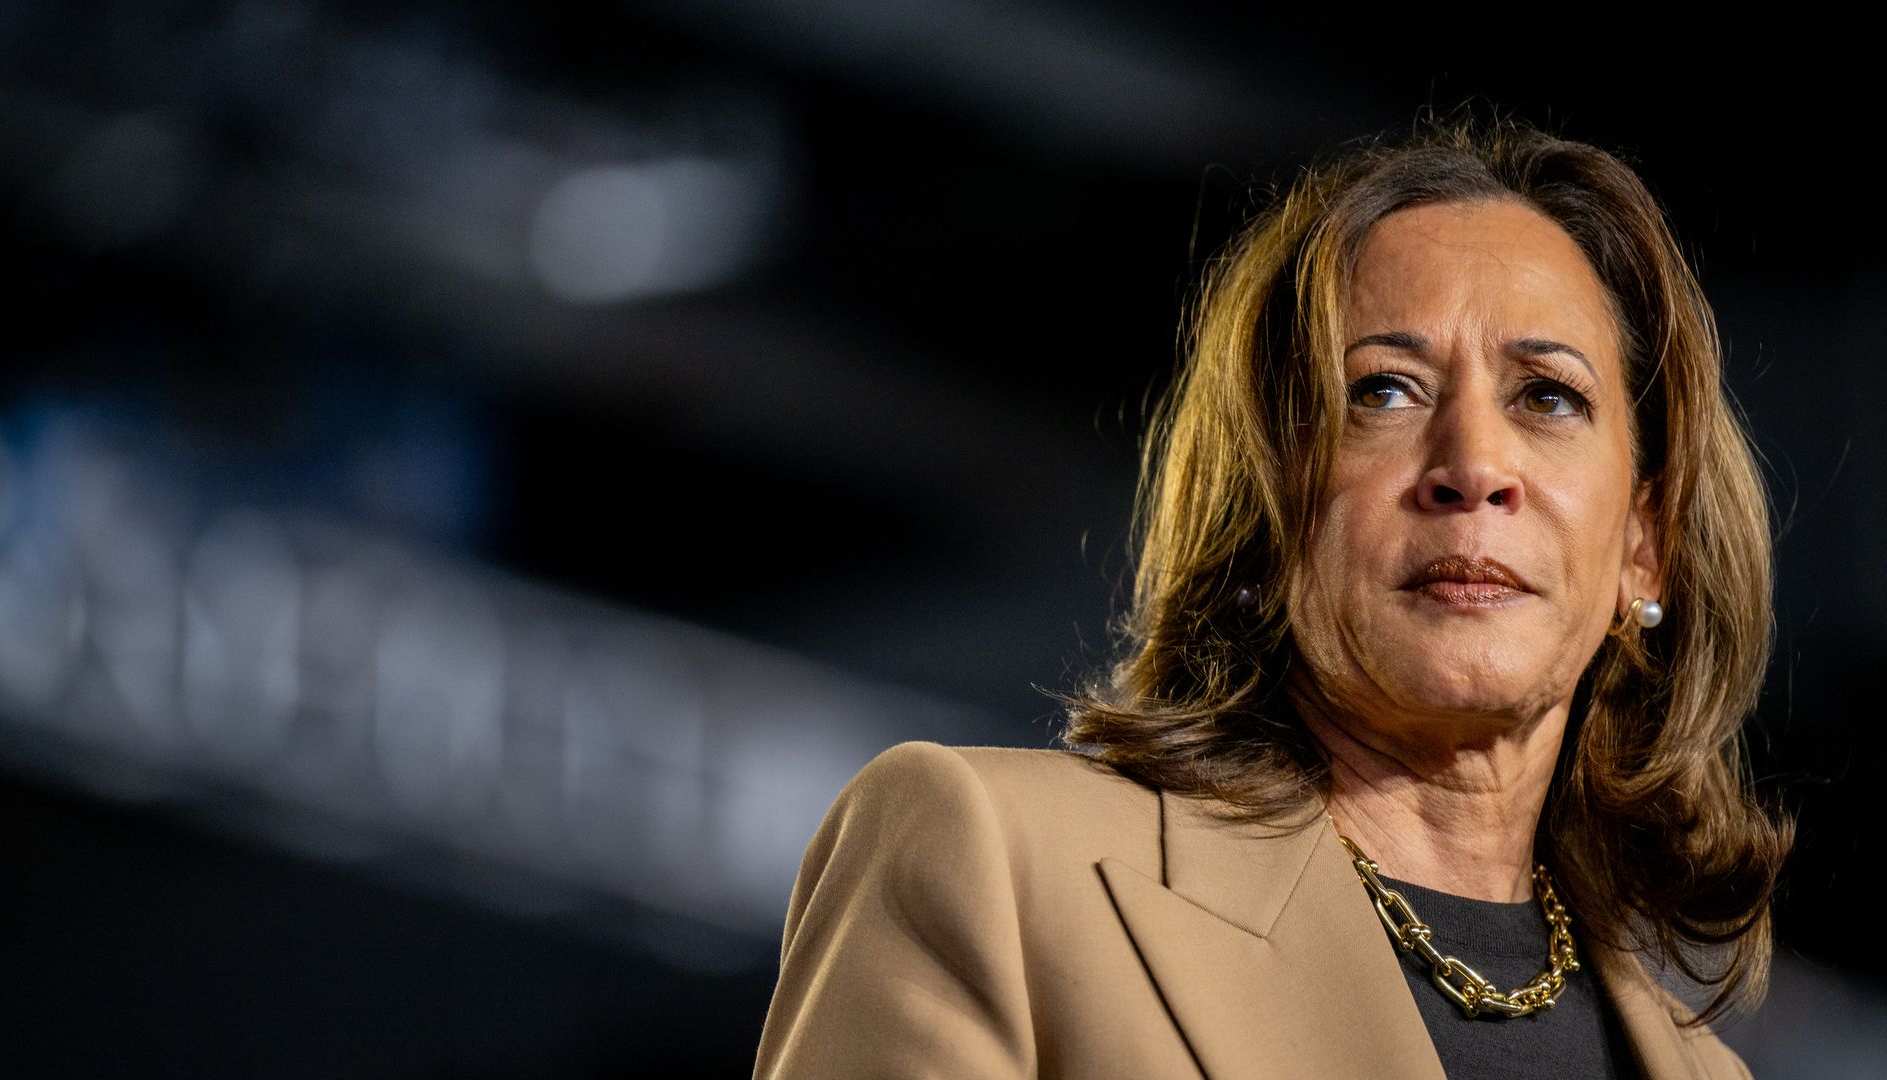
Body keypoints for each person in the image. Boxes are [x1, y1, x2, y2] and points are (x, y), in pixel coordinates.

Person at [752, 120, 1789, 1079]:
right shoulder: (990, 860)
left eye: (1547, 396)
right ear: (1260, 512)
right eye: (1381, 390)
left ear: (1644, 549)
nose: (1474, 466)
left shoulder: (1708, 1071)